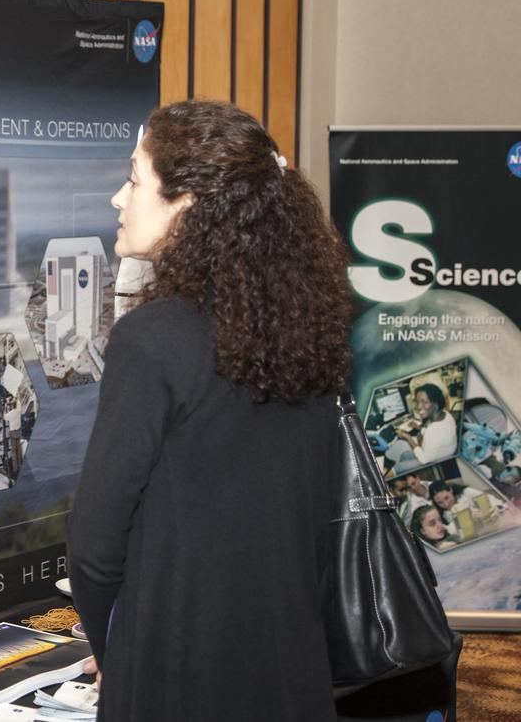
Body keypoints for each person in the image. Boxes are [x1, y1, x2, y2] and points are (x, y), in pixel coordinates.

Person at [67, 100, 354, 721]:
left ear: (188, 204)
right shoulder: (308, 332)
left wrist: (118, 646)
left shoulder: (151, 339)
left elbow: (93, 546)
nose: (119, 198)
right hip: (291, 661)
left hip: (177, 671)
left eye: (135, 179)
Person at [410, 384, 457, 464]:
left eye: (425, 402)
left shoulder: (432, 431)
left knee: (400, 465)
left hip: (436, 461)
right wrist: (419, 428)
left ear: (436, 403)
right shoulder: (445, 414)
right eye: (417, 402)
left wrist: (408, 438)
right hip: (447, 452)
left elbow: (424, 460)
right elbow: (436, 434)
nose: (419, 406)